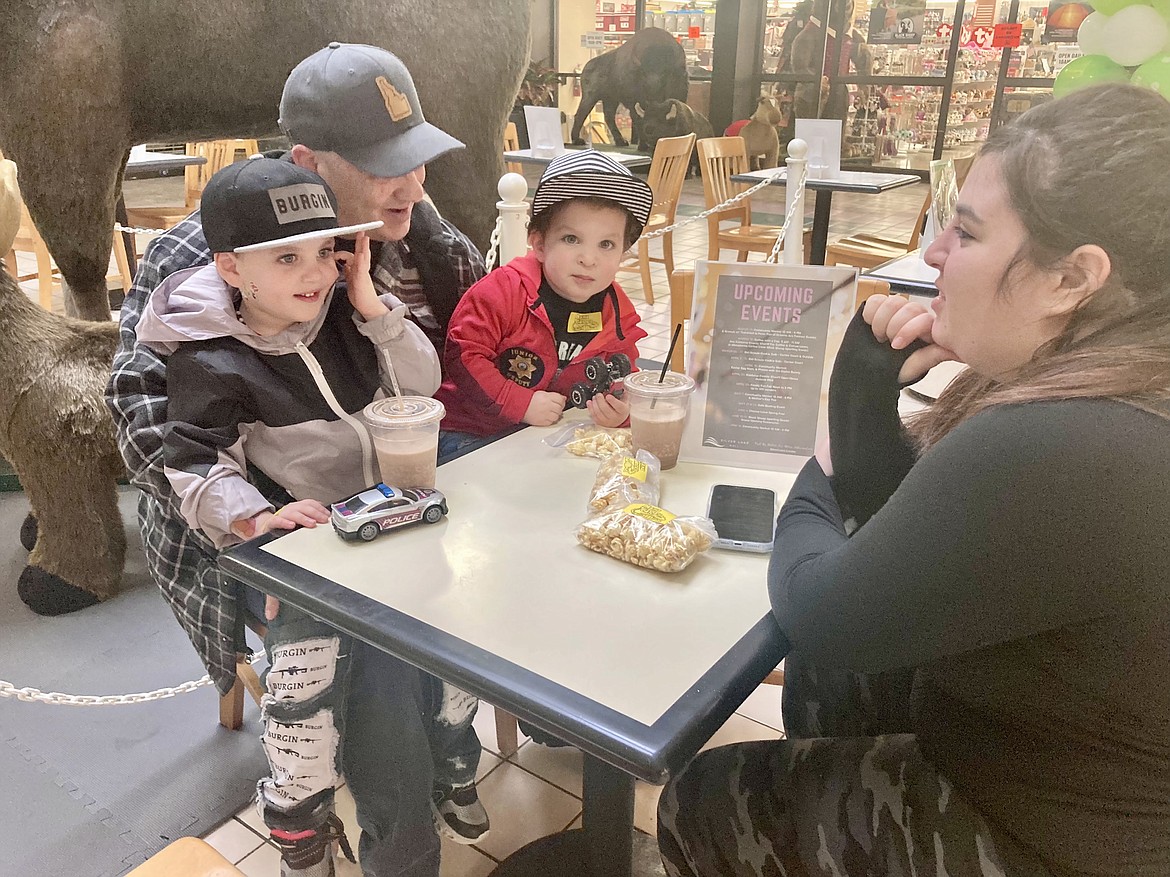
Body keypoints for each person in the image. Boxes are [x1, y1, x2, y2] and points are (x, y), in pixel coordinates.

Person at [657, 83, 1170, 876]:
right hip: (1033, 746)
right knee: (839, 682)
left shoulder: (1071, 439)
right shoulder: (1110, 390)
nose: (932, 254)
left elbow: (822, 610)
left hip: (1057, 838)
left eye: (963, 233)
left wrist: (820, 454)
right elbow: (911, 534)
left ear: (1071, 278)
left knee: (702, 798)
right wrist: (863, 388)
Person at [108, 43, 488, 877]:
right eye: (387, 166)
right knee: (385, 643)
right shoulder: (209, 259)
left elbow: (462, 360)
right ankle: (392, 835)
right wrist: (255, 511)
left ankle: (464, 750)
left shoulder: (419, 241)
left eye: (418, 158)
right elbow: (148, 421)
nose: (413, 186)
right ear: (307, 165)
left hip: (401, 502)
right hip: (283, 542)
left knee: (486, 581)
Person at [434, 150, 651, 458]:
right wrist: (520, 403)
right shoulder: (502, 291)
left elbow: (621, 377)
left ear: (622, 254)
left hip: (549, 438)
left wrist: (620, 411)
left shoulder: (619, 318)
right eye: (571, 239)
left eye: (606, 244)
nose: (588, 259)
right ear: (538, 244)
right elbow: (463, 354)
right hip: (471, 432)